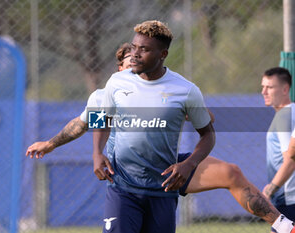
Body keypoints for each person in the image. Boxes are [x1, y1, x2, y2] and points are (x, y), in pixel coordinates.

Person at [92, 20, 295, 233]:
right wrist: (94, 152)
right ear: (119, 67)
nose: (134, 55)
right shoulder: (110, 87)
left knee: (231, 172)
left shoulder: (182, 90)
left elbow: (208, 127)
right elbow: (91, 121)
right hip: (125, 182)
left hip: (165, 174)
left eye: (143, 50)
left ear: (163, 55)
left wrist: (189, 159)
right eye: (132, 49)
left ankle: (284, 225)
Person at [25, 43, 131, 158]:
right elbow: (83, 124)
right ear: (120, 69)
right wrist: (50, 144)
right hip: (122, 171)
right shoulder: (101, 100)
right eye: (130, 67)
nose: (134, 72)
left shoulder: (152, 96)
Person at [260, 67, 295, 233]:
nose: (264, 92)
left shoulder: (284, 116)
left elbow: (291, 160)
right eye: (263, 87)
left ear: (285, 89)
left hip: (289, 200)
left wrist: (269, 190)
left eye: (269, 87)